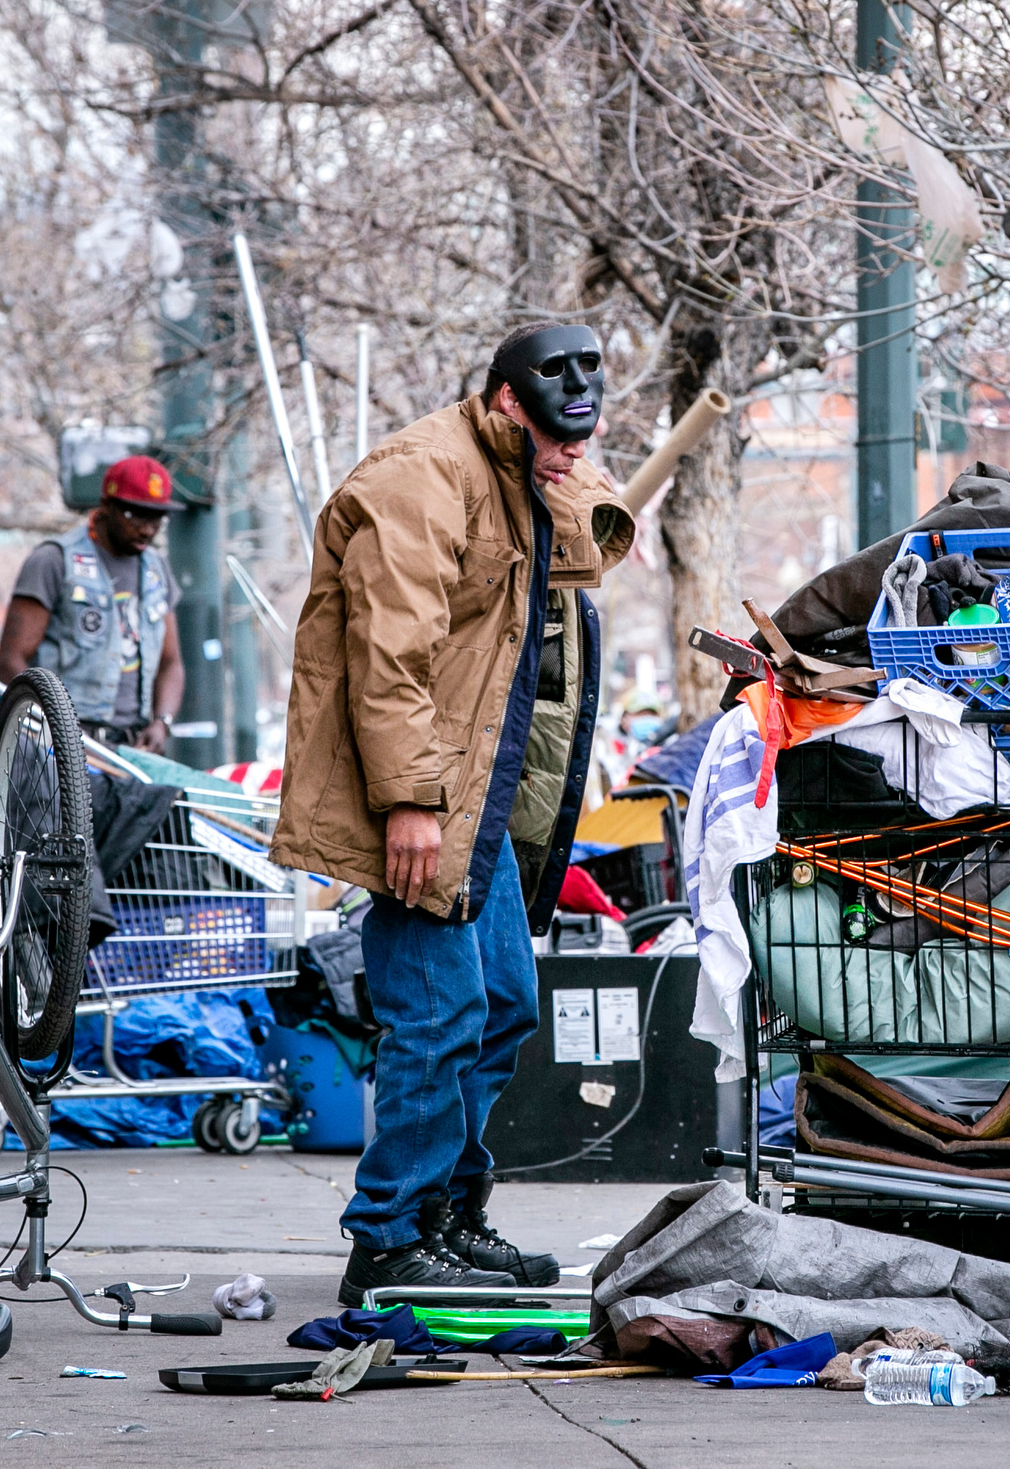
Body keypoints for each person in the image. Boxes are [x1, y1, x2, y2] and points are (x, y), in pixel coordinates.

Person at [272, 321, 634, 1301]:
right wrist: (409, 803)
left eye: (582, 441)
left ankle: (445, 1213)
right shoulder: (419, 480)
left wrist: (561, 466)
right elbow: (389, 661)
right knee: (437, 1016)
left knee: (504, 1005)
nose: (573, 458)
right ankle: (386, 1238)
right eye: (557, 438)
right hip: (424, 800)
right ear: (506, 401)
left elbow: (586, 560)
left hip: (477, 804)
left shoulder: (522, 475)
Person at [0, 454, 187, 749]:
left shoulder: (157, 569)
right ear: (106, 506)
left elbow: (171, 663)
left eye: (157, 518)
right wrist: (53, 732)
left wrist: (162, 722)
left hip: (133, 745)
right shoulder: (55, 560)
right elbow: (9, 661)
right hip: (63, 746)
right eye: (135, 515)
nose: (147, 529)